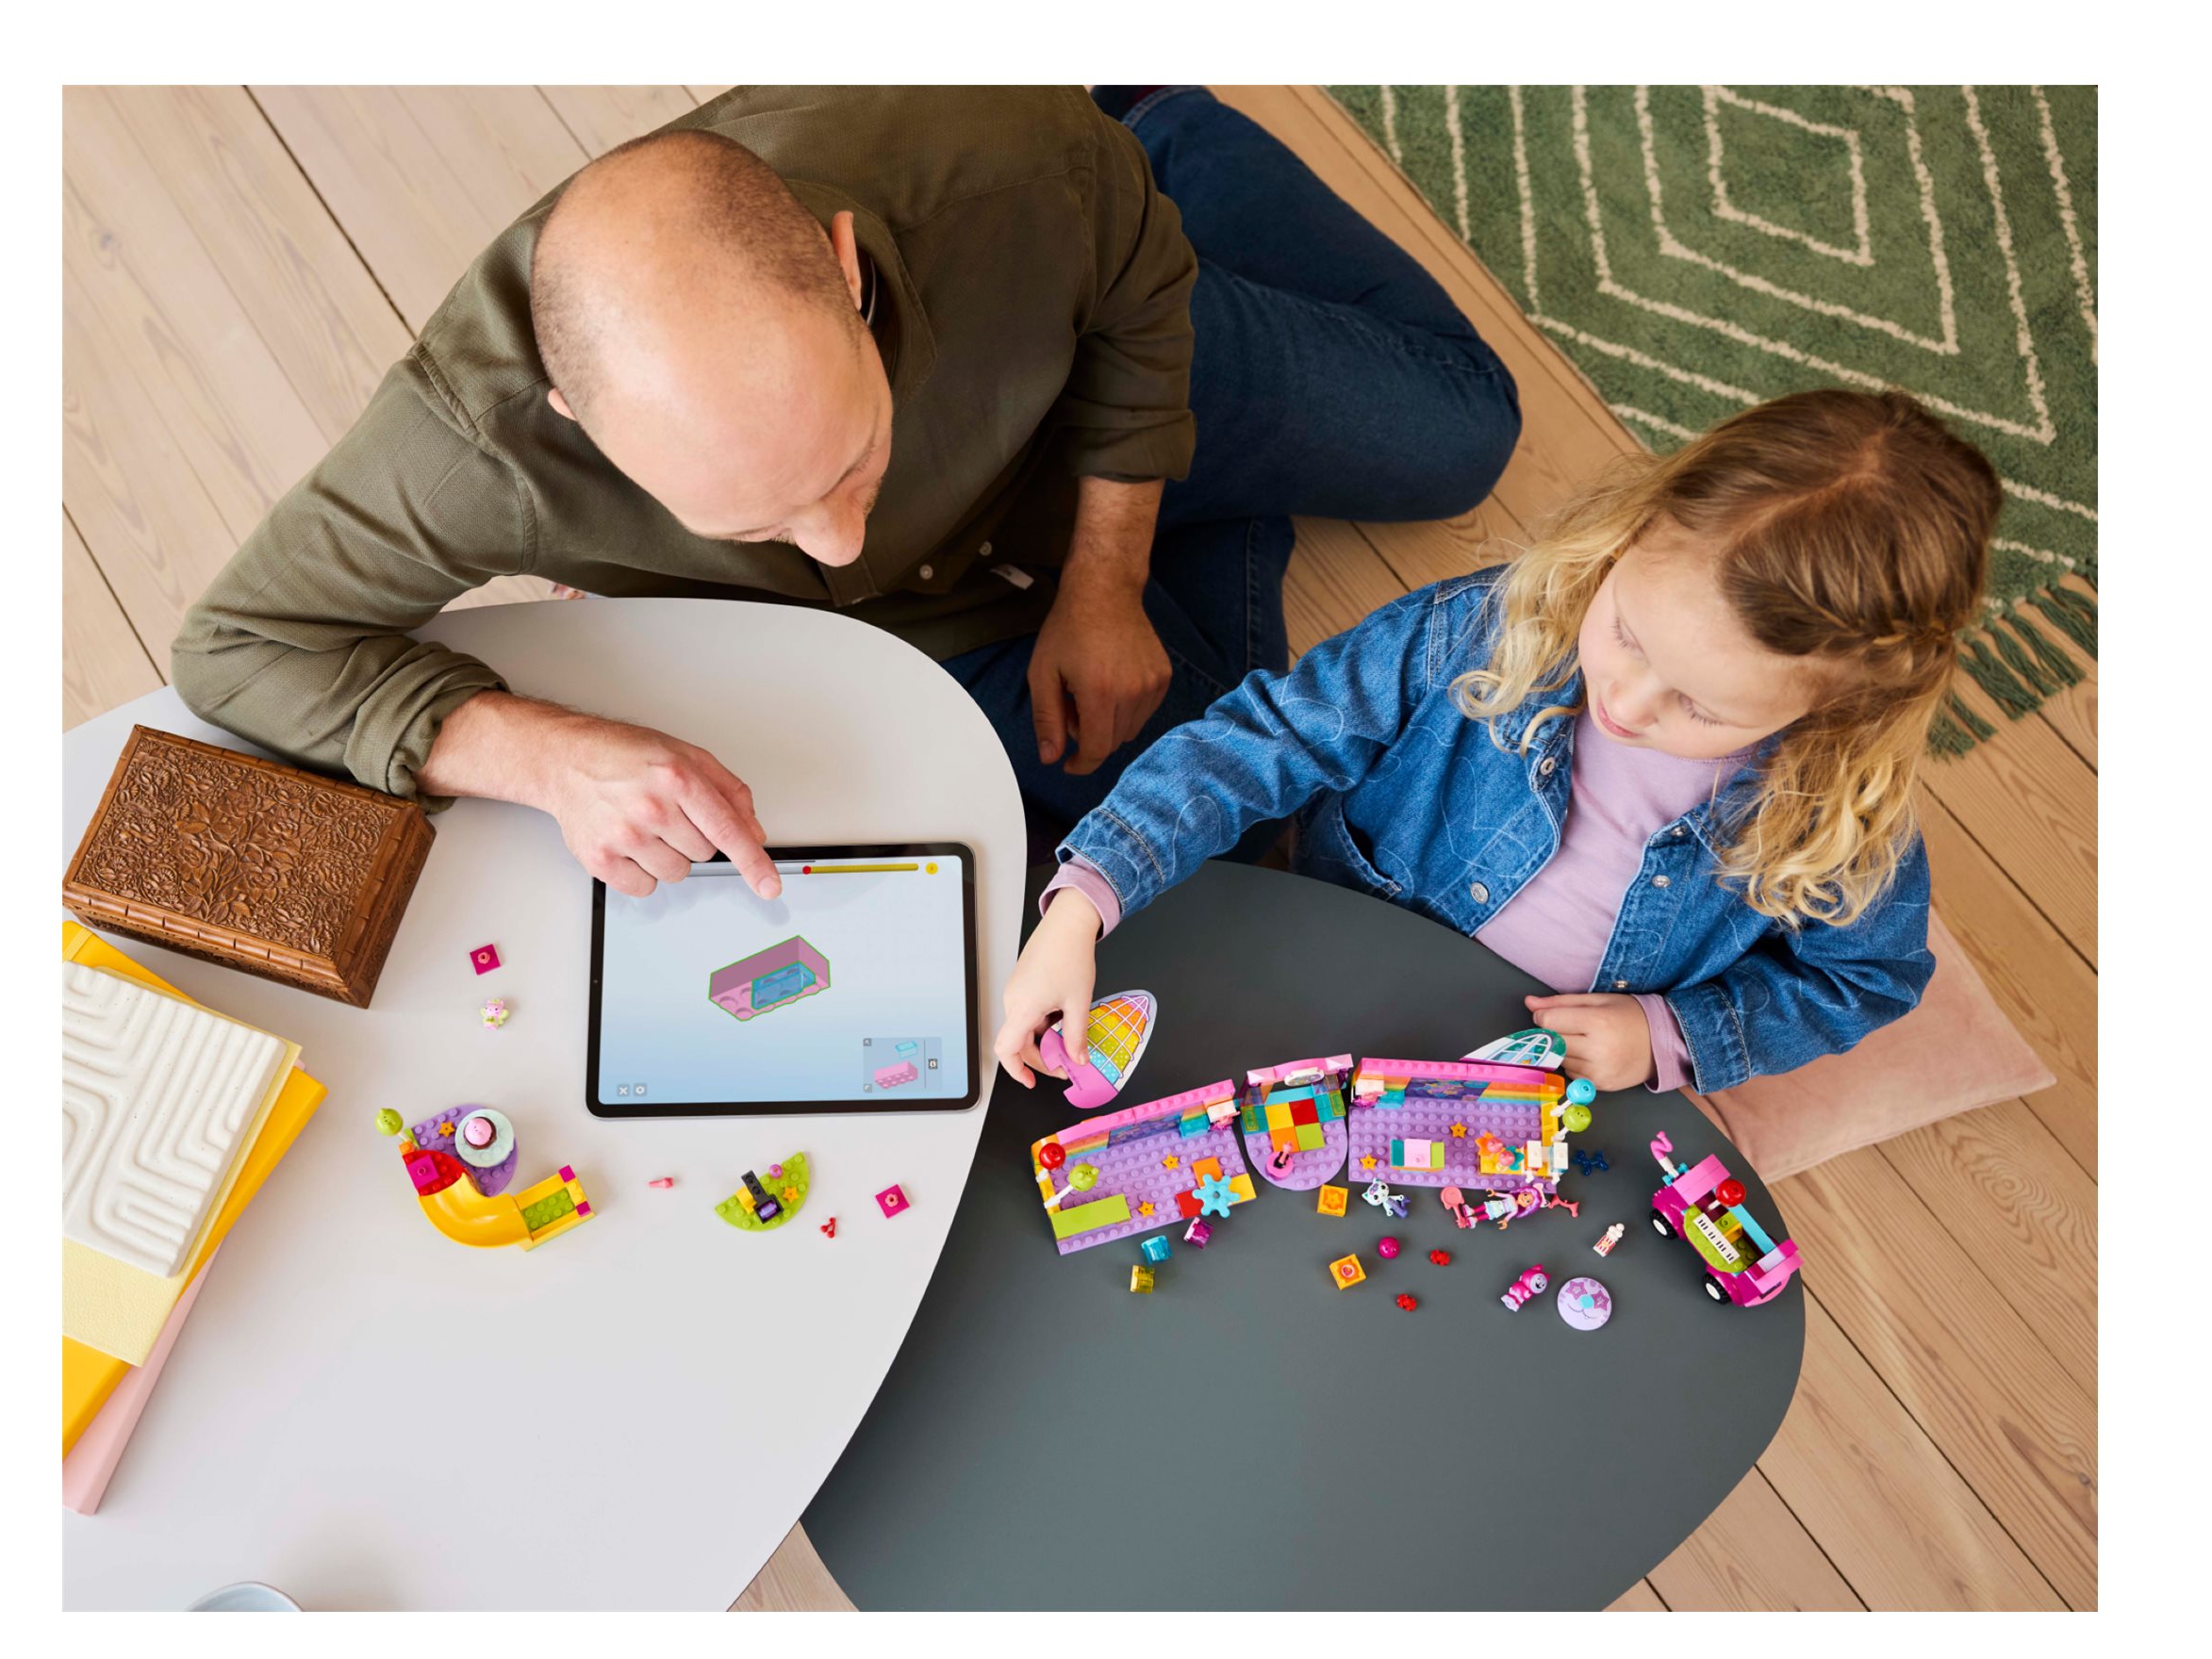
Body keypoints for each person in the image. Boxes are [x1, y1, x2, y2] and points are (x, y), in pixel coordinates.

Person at [171, 86, 1518, 899]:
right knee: (1192, 850)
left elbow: (1137, 292)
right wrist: (545, 752)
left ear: (845, 264)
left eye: (851, 461)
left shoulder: (1005, 152)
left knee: (1466, 436)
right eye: (757, 526)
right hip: (945, 611)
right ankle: (1215, 508)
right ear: (576, 424)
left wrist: (1106, 577)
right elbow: (235, 646)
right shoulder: (473, 446)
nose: (840, 539)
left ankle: (1163, 114)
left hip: (1083, 359)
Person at [995, 388, 2003, 1096]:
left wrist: (1670, 1037)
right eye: (1625, 633)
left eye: (1703, 709)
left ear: (1839, 710)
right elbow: (1267, 738)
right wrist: (1084, 901)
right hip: (1331, 940)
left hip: (1538, 1069)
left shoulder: (1843, 827)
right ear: (1635, 531)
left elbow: (1863, 979)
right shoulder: (1480, 629)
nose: (1630, 703)